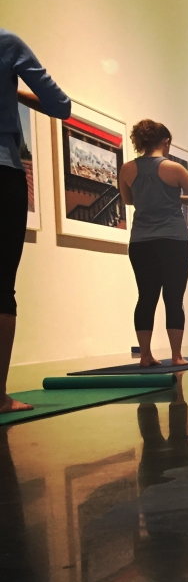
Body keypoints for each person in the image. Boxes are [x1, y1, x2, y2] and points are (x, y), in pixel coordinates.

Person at [0, 29, 70, 413]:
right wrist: (13, 92)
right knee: (0, 287)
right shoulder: (7, 43)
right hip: (3, 171)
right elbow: (60, 105)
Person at [119, 120, 188, 367]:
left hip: (141, 242)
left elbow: (128, 200)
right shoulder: (174, 168)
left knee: (146, 297)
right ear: (166, 142)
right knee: (174, 297)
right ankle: (176, 356)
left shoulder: (127, 169)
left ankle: (145, 355)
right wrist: (174, 196)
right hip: (174, 241)